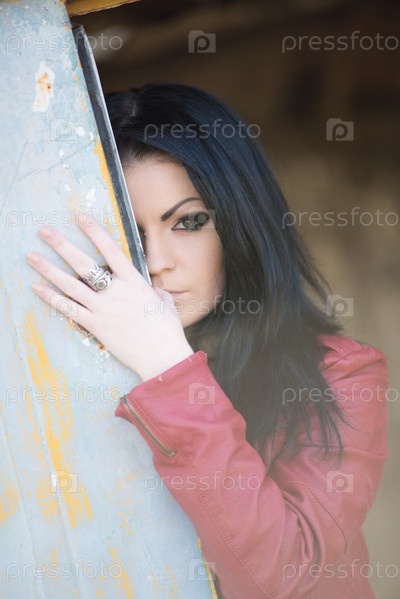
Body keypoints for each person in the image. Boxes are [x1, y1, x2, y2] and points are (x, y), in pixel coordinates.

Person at [27, 83, 389, 599]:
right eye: (129, 233)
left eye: (189, 222)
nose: (157, 262)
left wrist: (167, 369)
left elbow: (280, 576)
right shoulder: (63, 372)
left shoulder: (343, 375)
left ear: (243, 222)